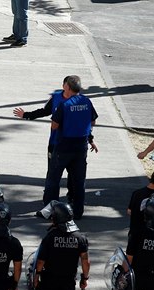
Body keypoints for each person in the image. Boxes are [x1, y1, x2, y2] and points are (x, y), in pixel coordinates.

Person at [42, 75, 98, 219]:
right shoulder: (87, 101)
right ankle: (78, 211)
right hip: (81, 146)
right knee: (79, 181)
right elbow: (93, 122)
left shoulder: (65, 104)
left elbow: (55, 125)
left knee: (53, 179)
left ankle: (50, 210)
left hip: (63, 146)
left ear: (67, 87)